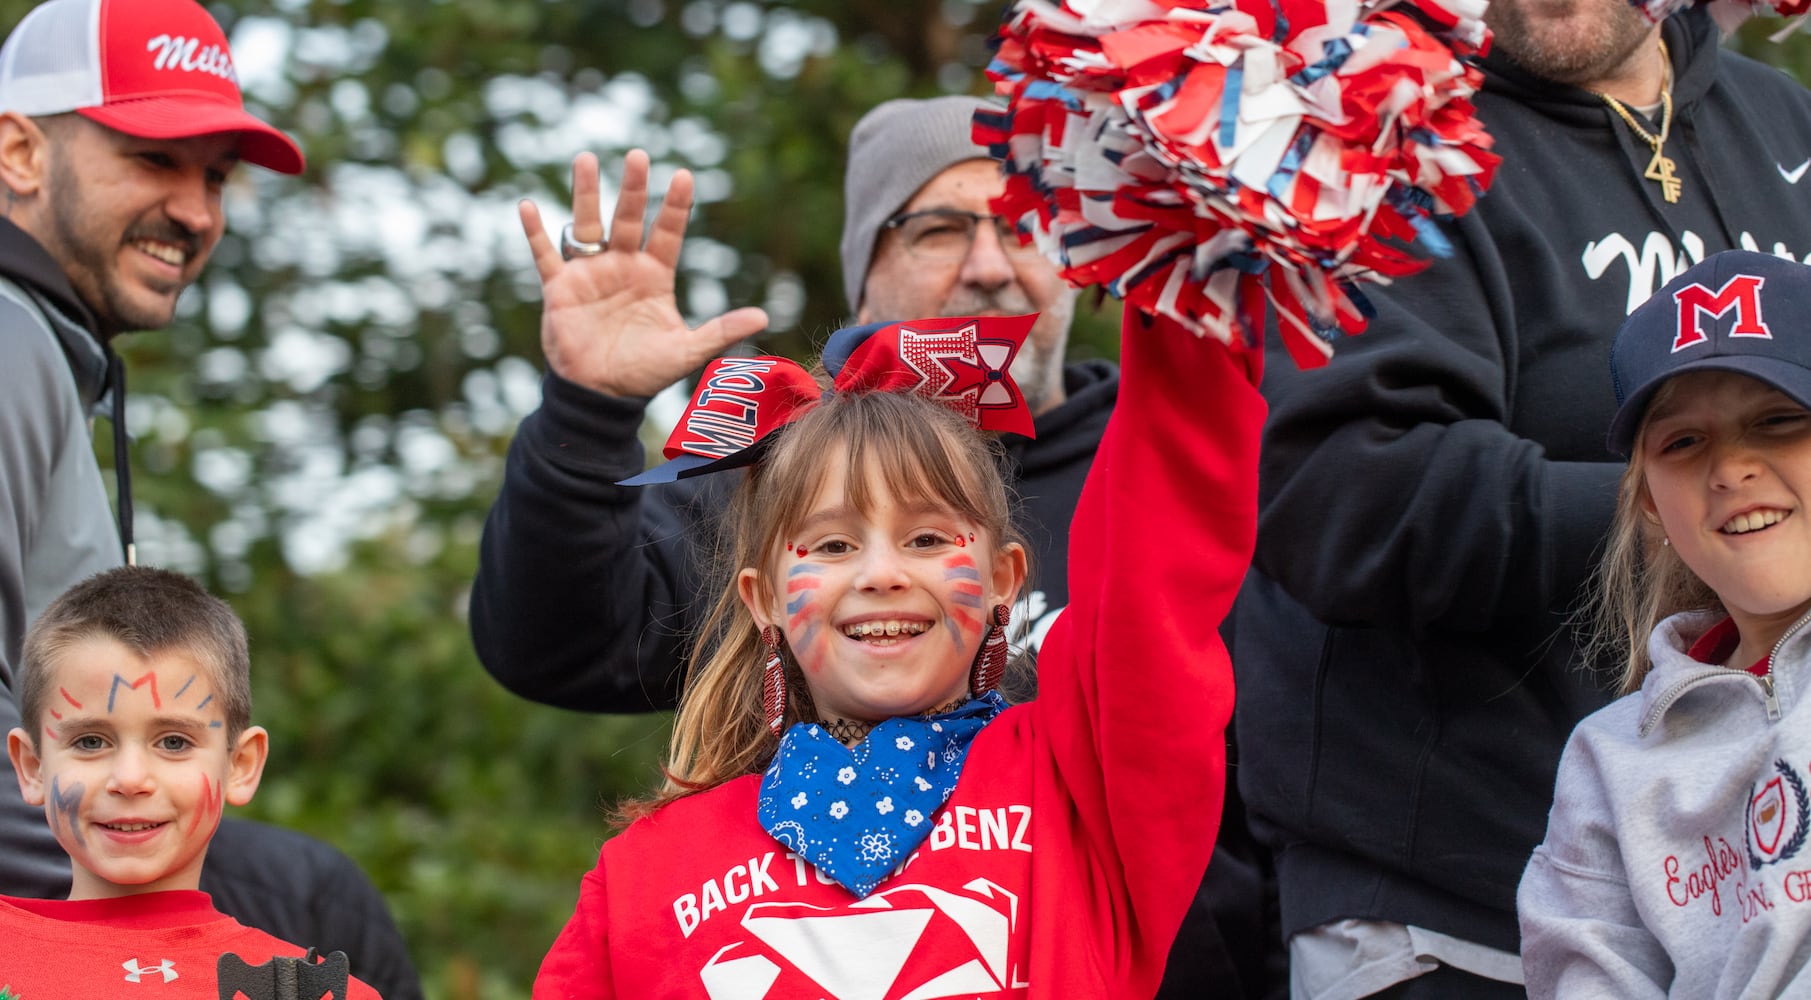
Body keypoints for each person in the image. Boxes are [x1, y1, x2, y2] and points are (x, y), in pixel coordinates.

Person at [473, 97, 1280, 998]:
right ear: (761, 593)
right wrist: (587, 409)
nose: (884, 572)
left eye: (931, 535)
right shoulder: (646, 873)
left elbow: (1165, 528)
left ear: (1007, 575)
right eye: (830, 542)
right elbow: (555, 633)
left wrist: (1191, 238)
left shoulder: (1079, 782)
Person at [1234, 1, 1811, 996]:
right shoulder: (1370, 138)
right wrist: (1700, 520)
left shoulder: (1784, 121)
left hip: (1758, 910)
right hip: (1450, 911)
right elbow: (1345, 495)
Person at [0, 1, 420, 995]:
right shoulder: (7, 340)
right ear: (18, 151)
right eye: (155, 159)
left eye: (217, 176)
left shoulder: (45, 351)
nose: (196, 210)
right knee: (314, 902)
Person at [1517, 250, 1811, 996]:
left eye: (1777, 420)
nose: (1730, 468)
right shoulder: (1607, 761)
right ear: (1648, 501)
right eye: (1683, 442)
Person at [0, 566, 382, 998]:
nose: (130, 780)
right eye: (90, 741)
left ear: (240, 765)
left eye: (174, 742)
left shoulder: (319, 992)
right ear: (32, 767)